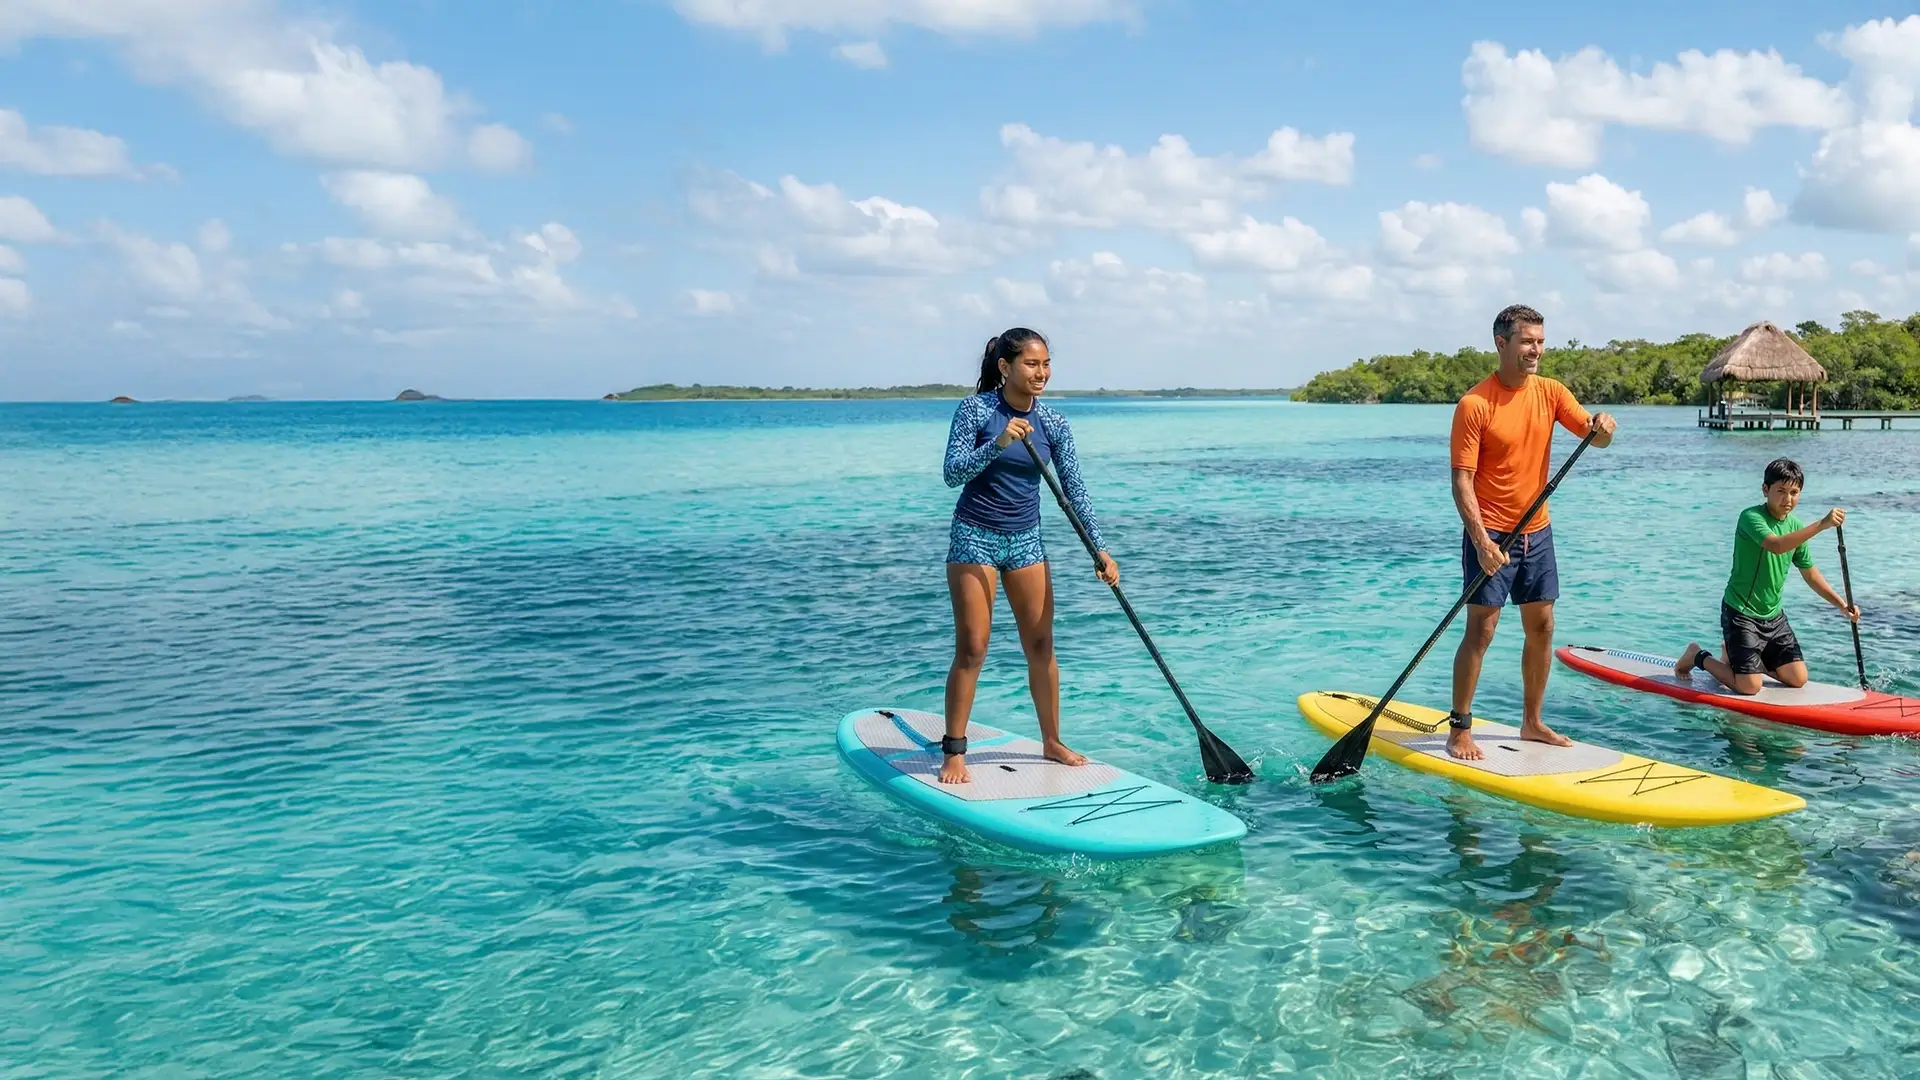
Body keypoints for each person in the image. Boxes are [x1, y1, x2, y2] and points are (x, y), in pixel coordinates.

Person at [939, 327, 1117, 785]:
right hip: (974, 537)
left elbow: (1074, 489)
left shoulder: (1054, 423)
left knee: (1040, 645)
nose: (1041, 373)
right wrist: (996, 444)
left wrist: (1098, 547)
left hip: (1026, 540)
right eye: (1031, 364)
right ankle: (954, 752)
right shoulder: (976, 410)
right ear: (1005, 367)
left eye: (1045, 364)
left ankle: (1052, 741)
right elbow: (951, 474)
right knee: (974, 647)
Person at [1447, 304, 1617, 761]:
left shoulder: (1551, 392)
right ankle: (1460, 728)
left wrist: (1602, 427)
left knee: (1542, 627)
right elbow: (1461, 480)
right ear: (1502, 343)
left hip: (1537, 533)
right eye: (1527, 342)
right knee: (1481, 632)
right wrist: (1482, 544)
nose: (1536, 350)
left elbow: (1594, 437)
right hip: (1492, 535)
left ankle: (1532, 721)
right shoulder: (1475, 404)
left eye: (1540, 341)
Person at [1675, 458, 1860, 692]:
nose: (1788, 499)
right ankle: (1697, 656)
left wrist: (1842, 605)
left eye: (1794, 492)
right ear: (1765, 490)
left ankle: (1737, 658)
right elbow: (1776, 545)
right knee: (1749, 687)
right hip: (1741, 614)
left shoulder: (1795, 526)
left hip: (1773, 617)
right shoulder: (1751, 518)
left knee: (1798, 678)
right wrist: (1822, 524)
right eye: (1781, 491)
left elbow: (1810, 574)